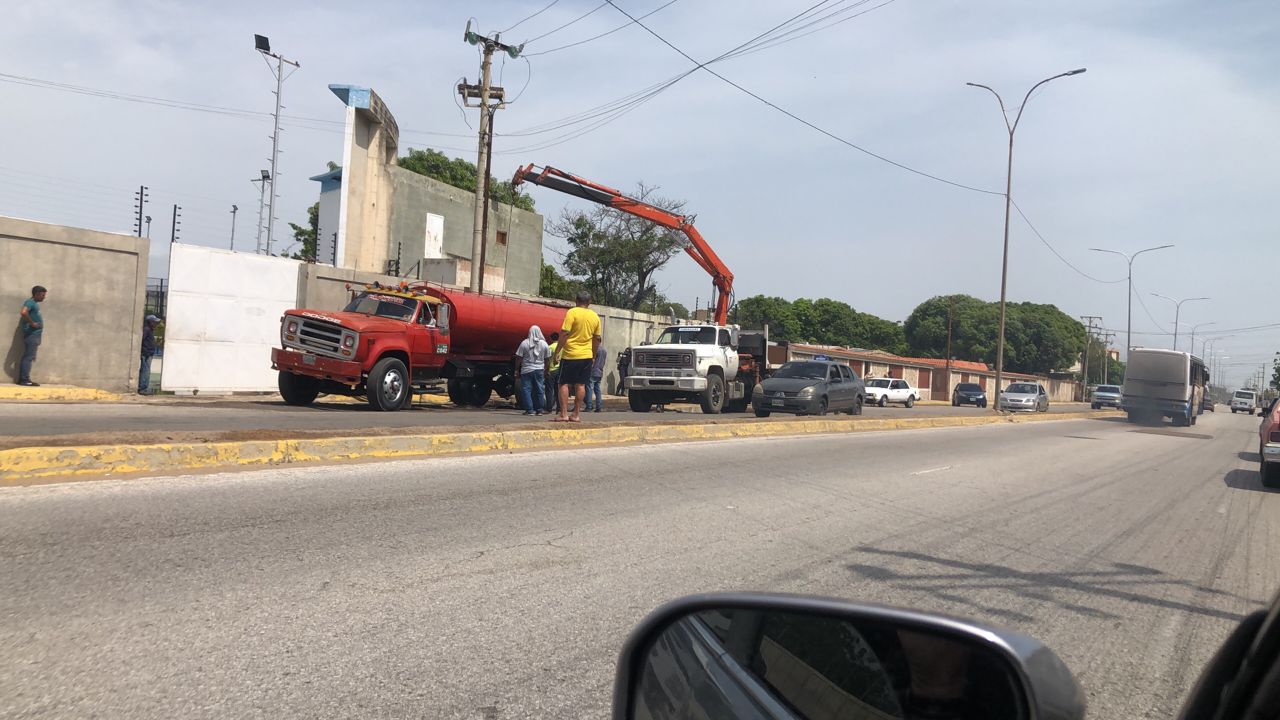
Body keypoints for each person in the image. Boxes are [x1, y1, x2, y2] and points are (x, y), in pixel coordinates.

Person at [552, 291, 602, 422]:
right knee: (581, 385)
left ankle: (563, 413)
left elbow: (564, 333)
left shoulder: (572, 312)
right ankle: (576, 414)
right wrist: (593, 356)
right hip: (586, 355)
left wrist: (557, 351)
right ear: (589, 302)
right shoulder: (595, 316)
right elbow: (597, 339)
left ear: (576, 300)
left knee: (563, 384)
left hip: (570, 355)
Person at [514, 325, 549, 415]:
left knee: (526, 390)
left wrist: (517, 369)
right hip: (539, 370)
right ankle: (540, 409)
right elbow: (547, 359)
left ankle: (529, 410)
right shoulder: (544, 344)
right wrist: (546, 370)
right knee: (539, 390)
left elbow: (518, 357)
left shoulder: (524, 343)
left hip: (526, 370)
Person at [17, 285, 47, 386]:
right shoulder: (30, 302)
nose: (44, 297)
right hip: (31, 334)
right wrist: (32, 323)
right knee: (28, 357)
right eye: (42, 295)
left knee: (29, 357)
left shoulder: (34, 303)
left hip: (34, 335)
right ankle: (24, 380)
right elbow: (23, 312)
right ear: (36, 294)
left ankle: (25, 379)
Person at [138, 315, 161, 395]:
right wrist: (145, 351)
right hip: (146, 353)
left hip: (148, 352)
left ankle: (143, 387)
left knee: (145, 370)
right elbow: (142, 340)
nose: (156, 323)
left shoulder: (149, 330)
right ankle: (143, 388)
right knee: (146, 371)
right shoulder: (147, 329)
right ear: (150, 322)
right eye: (154, 322)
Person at [586, 345, 607, 412]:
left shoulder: (595, 350)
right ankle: (599, 406)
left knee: (589, 389)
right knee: (597, 390)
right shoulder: (604, 350)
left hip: (593, 371)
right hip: (600, 371)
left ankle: (589, 406)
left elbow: (592, 361)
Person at [545, 331, 561, 414]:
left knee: (549, 390)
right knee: (558, 390)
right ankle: (559, 408)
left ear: (551, 339)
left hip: (551, 370)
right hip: (559, 370)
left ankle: (549, 408)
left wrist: (546, 370)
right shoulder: (561, 348)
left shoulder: (550, 347)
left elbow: (547, 360)